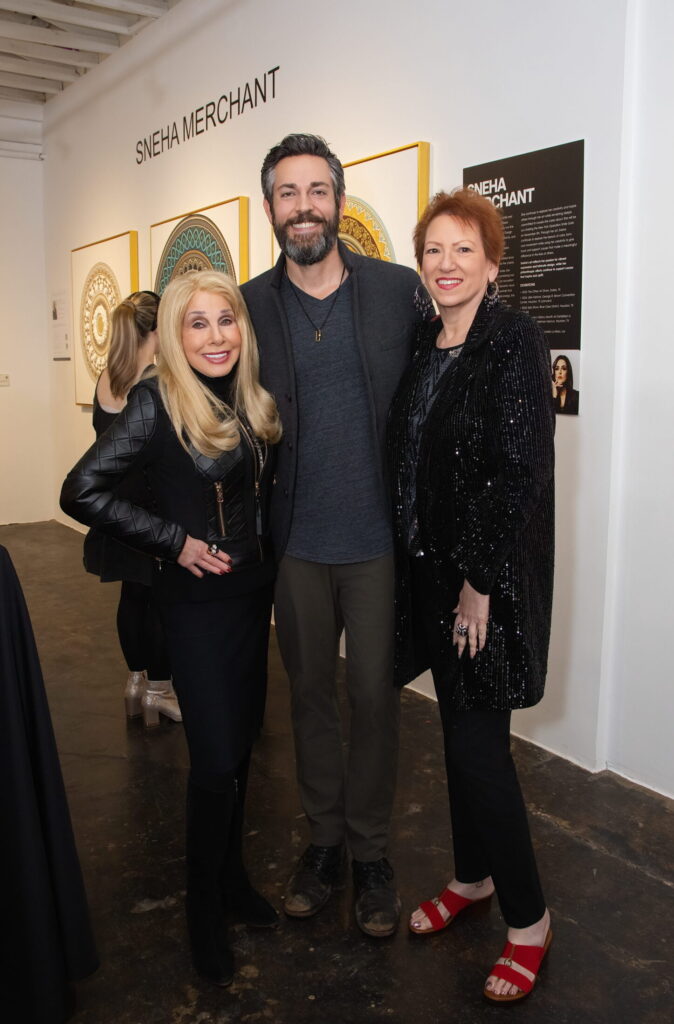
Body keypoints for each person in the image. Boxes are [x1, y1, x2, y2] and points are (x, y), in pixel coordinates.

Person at [61, 270, 283, 987]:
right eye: (199, 323)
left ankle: (233, 883)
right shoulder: (156, 403)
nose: (216, 336)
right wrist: (173, 542)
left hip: (252, 598)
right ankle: (200, 914)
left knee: (240, 749)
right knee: (214, 761)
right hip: (195, 606)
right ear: (175, 335)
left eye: (227, 321)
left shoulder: (245, 398)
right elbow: (82, 489)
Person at [241, 133, 425, 937]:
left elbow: (432, 398)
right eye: (288, 192)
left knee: (374, 701)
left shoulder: (395, 291)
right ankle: (323, 843)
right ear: (271, 207)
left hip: (378, 544)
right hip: (297, 546)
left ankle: (373, 853)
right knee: (310, 697)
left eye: (318, 190)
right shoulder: (249, 306)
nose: (304, 206)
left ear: (339, 203)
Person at [387, 188, 555, 1002]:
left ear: (492, 262)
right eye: (434, 251)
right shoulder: (425, 339)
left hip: (481, 588)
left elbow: (518, 474)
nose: (447, 265)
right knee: (457, 740)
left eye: (464, 250)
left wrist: (478, 585)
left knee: (479, 751)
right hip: (428, 577)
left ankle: (528, 922)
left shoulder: (514, 341)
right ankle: (472, 878)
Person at [83, 290, 180, 726]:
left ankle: (135, 683)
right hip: (150, 511)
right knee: (159, 603)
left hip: (114, 510)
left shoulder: (107, 379)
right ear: (154, 331)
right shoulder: (154, 384)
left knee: (132, 598)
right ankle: (160, 690)